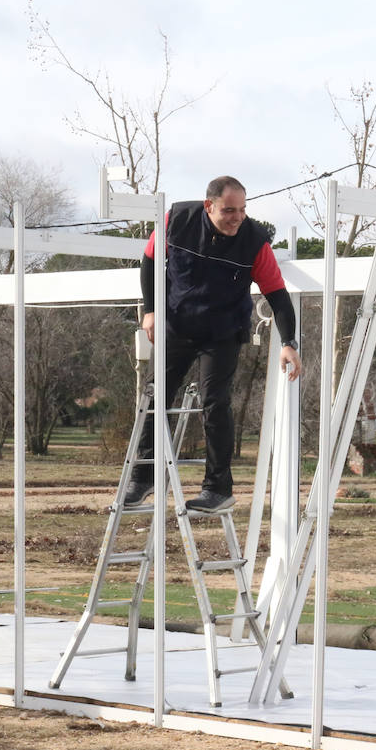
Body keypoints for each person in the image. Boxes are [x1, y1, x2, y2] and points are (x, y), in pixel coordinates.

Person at [126, 176, 303, 513]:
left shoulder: (254, 241)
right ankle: (143, 477)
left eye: (243, 209)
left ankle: (217, 489)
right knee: (155, 394)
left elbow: (278, 297)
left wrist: (289, 342)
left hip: (223, 332)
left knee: (214, 402)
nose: (238, 217)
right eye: (229, 210)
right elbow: (149, 260)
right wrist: (150, 310)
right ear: (209, 206)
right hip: (177, 325)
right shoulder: (176, 220)